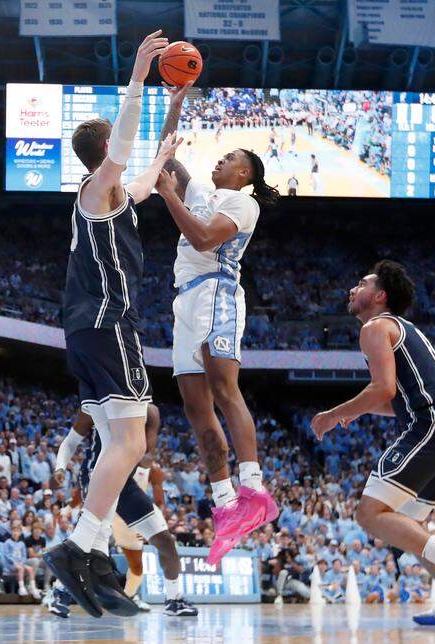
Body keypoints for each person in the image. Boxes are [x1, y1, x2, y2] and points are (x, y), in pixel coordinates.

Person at [43, 28, 179, 620]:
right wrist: (137, 80)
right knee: (129, 440)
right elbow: (124, 155)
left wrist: (172, 117)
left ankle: (93, 552)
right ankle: (79, 548)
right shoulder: (98, 186)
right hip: (107, 323)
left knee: (112, 443)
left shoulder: (114, 193)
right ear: (105, 150)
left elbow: (144, 176)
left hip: (83, 332)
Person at [311, 261, 435, 626]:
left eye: (361, 283)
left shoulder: (376, 326)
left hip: (433, 423)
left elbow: (383, 389)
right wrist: (357, 412)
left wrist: (331, 414)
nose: (352, 288)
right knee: (410, 526)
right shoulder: (405, 329)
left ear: (379, 296)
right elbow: (395, 400)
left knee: (369, 513)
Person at [155, 81, 280, 565]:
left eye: (229, 157)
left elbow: (206, 239)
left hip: (217, 294)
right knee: (193, 405)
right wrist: (174, 106)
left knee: (225, 390)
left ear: (244, 172)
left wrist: (169, 199)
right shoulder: (203, 188)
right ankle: (226, 502)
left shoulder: (243, 204)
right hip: (184, 300)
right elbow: (166, 161)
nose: (219, 161)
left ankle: (254, 490)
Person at [50, 405, 197, 618]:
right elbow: (71, 441)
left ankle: (174, 599)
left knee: (165, 541)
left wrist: (145, 463)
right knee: (92, 539)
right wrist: (60, 467)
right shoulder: (97, 401)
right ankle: (59, 592)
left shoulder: (151, 411)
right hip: (97, 474)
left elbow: (147, 455)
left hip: (126, 480)